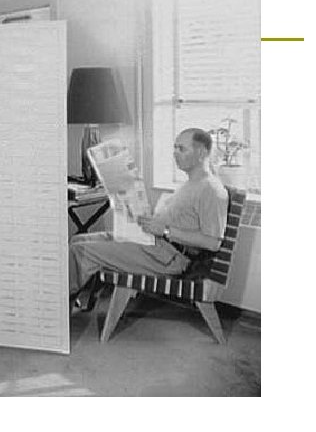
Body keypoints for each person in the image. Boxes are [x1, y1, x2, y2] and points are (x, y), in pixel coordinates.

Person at [69, 128, 229, 309]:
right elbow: (181, 220)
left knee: (80, 250)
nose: (175, 153)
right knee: (78, 240)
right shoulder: (190, 183)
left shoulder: (211, 190)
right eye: (174, 148)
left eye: (181, 149)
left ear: (201, 153)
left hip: (167, 258)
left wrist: (166, 231)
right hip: (153, 243)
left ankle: (59, 304)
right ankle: (70, 297)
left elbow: (213, 242)